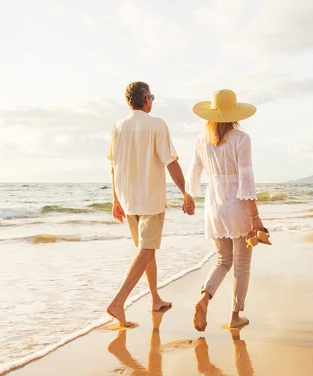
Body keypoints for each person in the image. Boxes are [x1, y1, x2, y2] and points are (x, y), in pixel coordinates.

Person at [107, 81, 195, 327]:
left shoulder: (117, 127)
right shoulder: (157, 124)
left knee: (146, 251)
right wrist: (186, 192)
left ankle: (155, 298)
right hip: (150, 198)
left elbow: (113, 167)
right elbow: (171, 162)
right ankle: (118, 302)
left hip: (127, 199)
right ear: (146, 98)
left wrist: (115, 200)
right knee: (147, 250)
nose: (152, 101)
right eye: (152, 97)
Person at [186, 89, 263, 331]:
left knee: (222, 260)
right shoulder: (241, 139)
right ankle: (235, 315)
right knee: (241, 265)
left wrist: (189, 197)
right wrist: (255, 216)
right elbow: (246, 178)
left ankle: (204, 298)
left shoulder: (201, 140)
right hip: (237, 205)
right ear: (234, 114)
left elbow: (194, 172)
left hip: (214, 205)